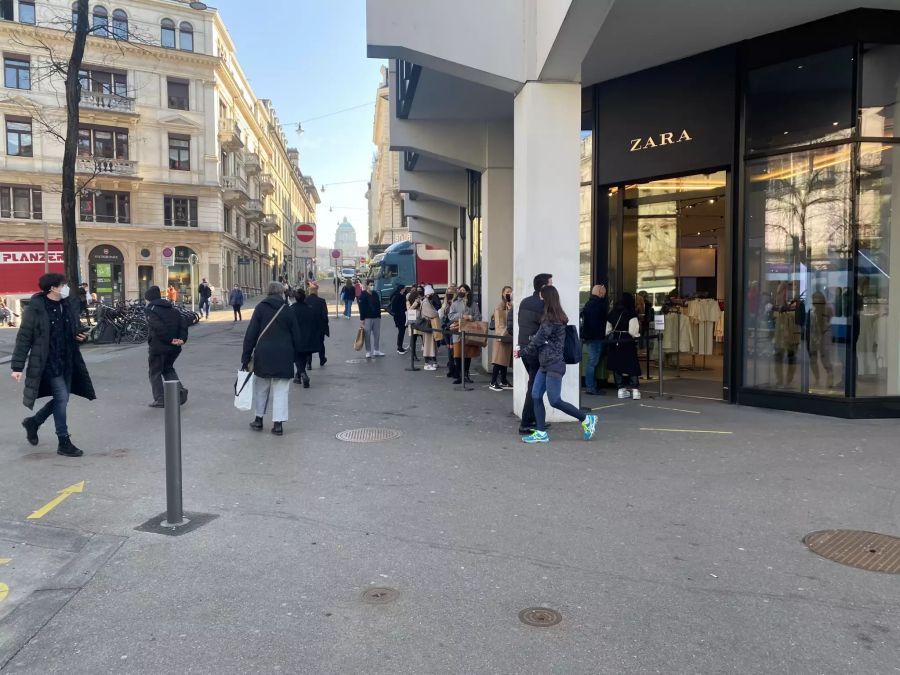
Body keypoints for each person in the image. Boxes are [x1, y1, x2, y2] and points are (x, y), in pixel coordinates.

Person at [11, 273, 95, 457]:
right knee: (62, 397)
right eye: (63, 285)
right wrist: (17, 367)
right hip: (47, 362)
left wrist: (82, 337)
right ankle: (63, 441)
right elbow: (24, 338)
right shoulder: (36, 308)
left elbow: (75, 331)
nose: (66, 288)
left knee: (62, 399)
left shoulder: (67, 305)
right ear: (53, 288)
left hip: (67, 359)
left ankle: (34, 422)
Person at [517, 285, 597, 444]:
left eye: (541, 297)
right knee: (536, 395)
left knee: (555, 400)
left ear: (547, 298)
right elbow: (542, 338)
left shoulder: (550, 318)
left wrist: (522, 352)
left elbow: (539, 339)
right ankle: (541, 432)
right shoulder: (554, 316)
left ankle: (586, 419)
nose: (539, 299)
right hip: (545, 364)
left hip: (553, 364)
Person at [241, 281, 303, 436]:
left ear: (268, 292)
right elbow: (297, 336)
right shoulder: (287, 310)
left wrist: (246, 356)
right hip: (284, 354)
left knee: (261, 388)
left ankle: (259, 419)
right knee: (281, 390)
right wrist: (297, 358)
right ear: (281, 293)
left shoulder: (260, 308)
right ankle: (278, 424)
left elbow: (251, 334)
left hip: (263, 354)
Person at [517, 273, 552, 434]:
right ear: (544, 287)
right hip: (536, 350)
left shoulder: (525, 302)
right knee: (534, 387)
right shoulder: (542, 305)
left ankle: (536, 419)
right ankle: (526, 423)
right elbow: (548, 328)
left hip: (524, 348)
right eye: (551, 283)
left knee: (535, 384)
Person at [144, 286, 189, 408]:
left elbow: (158, 327)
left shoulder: (151, 309)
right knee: (168, 368)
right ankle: (180, 392)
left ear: (149, 298)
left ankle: (161, 398)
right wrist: (181, 339)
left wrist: (170, 340)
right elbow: (183, 324)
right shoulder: (173, 309)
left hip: (159, 347)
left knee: (155, 372)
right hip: (175, 347)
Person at [606, 292, 642, 399]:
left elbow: (607, 330)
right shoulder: (631, 313)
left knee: (617, 365)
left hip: (615, 340)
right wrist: (637, 336)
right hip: (627, 341)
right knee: (632, 364)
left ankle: (620, 389)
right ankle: (635, 390)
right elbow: (633, 331)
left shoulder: (612, 312)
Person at [448, 283, 481, 385]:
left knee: (467, 354)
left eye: (463, 290)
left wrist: (471, 317)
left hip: (469, 332)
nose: (460, 292)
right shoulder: (455, 303)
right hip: (457, 332)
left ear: (467, 292)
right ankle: (460, 375)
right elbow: (450, 316)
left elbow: (478, 317)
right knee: (457, 354)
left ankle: (466, 375)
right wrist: (462, 315)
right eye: (459, 290)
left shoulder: (473, 304)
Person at [581, 284, 609, 395]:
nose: (604, 295)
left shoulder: (589, 303)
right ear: (599, 292)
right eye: (603, 293)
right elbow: (598, 323)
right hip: (596, 337)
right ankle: (590, 387)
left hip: (590, 336)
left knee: (592, 362)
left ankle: (591, 386)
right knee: (592, 362)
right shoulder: (598, 305)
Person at [290, 288, 318, 388]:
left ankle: (303, 374)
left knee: (297, 357)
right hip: (308, 338)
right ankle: (298, 376)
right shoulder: (310, 309)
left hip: (296, 338)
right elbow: (315, 324)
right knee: (303, 357)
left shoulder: (292, 309)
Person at [489, 286, 514, 391]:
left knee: (505, 359)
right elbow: (500, 319)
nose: (509, 294)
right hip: (501, 335)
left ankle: (503, 380)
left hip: (507, 335)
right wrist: (508, 310)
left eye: (510, 292)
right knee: (499, 360)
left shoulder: (511, 304)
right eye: (507, 292)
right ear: (503, 293)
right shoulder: (500, 305)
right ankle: (493, 382)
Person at [305, 282, 329, 367]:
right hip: (319, 327)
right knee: (321, 343)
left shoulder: (305, 301)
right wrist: (326, 326)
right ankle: (322, 359)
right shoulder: (321, 301)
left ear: (309, 291)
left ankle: (309, 363)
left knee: (308, 344)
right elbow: (325, 315)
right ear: (316, 291)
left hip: (308, 327)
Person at [358, 279, 384, 358]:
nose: (372, 286)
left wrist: (379, 315)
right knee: (367, 335)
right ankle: (368, 351)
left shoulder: (375, 294)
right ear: (367, 286)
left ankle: (376, 350)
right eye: (371, 285)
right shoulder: (363, 294)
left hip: (376, 317)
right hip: (367, 318)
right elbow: (361, 307)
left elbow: (378, 305)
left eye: (373, 285)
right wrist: (362, 319)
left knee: (377, 335)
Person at [419, 285, 440, 370]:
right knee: (428, 345)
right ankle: (426, 363)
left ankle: (434, 362)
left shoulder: (427, 301)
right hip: (428, 326)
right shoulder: (426, 302)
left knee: (432, 345)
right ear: (428, 294)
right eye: (431, 293)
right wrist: (437, 312)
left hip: (430, 326)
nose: (432, 295)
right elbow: (432, 313)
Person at [439, 284, 458, 377]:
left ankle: (456, 371)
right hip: (446, 329)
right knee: (449, 350)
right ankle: (451, 369)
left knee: (454, 350)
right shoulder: (446, 303)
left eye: (451, 292)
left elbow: (455, 317)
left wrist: (448, 325)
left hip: (453, 328)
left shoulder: (457, 304)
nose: (448, 294)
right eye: (447, 292)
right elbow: (443, 316)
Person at [389, 285, 409, 354]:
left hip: (402, 316)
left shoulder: (402, 295)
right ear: (401, 289)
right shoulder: (397, 297)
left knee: (402, 332)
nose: (405, 290)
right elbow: (394, 308)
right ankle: (399, 348)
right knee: (401, 332)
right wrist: (401, 312)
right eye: (404, 289)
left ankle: (400, 346)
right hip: (399, 317)